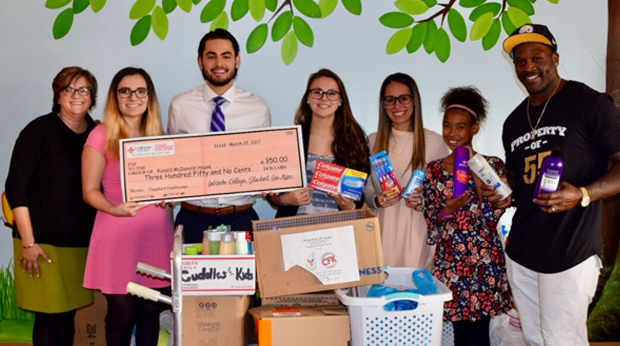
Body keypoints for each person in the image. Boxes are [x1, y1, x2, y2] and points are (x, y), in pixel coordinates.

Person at [492, 24, 620, 346]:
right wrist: (503, 193)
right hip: (522, 252)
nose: (529, 67)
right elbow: (523, 189)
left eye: (537, 57)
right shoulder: (514, 122)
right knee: (535, 340)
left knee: (563, 340)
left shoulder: (588, 103)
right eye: (520, 61)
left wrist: (583, 194)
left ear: (556, 58)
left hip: (570, 250)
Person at [5, 66, 98, 346]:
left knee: (67, 315)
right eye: (68, 89)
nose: (76, 95)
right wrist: (29, 243)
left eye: (83, 89)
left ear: (92, 97)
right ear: (58, 96)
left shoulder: (97, 133)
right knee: (48, 316)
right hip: (41, 244)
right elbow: (15, 190)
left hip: (80, 245)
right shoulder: (38, 131)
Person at [82, 67, 173, 346]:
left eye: (140, 91)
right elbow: (89, 192)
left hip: (156, 237)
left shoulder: (162, 136)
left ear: (149, 97)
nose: (133, 97)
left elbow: (173, 187)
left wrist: (171, 196)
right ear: (115, 97)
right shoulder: (101, 135)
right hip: (116, 236)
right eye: (125, 91)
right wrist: (114, 209)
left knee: (150, 313)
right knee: (121, 314)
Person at [422, 87, 512, 346]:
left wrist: (475, 170)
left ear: (474, 129)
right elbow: (431, 224)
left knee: (481, 334)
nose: (452, 134)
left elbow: (494, 216)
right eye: (447, 126)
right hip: (452, 261)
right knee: (461, 335)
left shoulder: (493, 165)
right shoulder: (435, 170)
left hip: (484, 260)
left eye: (460, 127)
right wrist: (447, 211)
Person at [168, 29, 272, 243]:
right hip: (192, 219)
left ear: (237, 61)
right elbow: (172, 162)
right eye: (211, 56)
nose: (218, 63)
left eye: (226, 56)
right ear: (200, 61)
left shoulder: (258, 108)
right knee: (191, 278)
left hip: (241, 219)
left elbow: (265, 165)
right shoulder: (180, 106)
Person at [363, 73, 449, 269]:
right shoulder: (372, 141)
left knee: (416, 296)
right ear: (383, 104)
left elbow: (443, 196)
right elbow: (366, 190)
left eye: (404, 98)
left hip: (417, 237)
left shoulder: (434, 143)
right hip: (381, 236)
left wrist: (423, 201)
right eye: (390, 100)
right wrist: (377, 200)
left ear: (414, 100)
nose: (397, 106)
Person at [270, 69, 370, 216]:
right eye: (317, 92)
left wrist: (349, 206)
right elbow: (274, 195)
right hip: (293, 231)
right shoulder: (289, 139)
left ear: (341, 100)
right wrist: (285, 199)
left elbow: (358, 197)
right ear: (308, 98)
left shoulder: (354, 141)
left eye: (332, 93)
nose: (324, 98)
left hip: (339, 231)